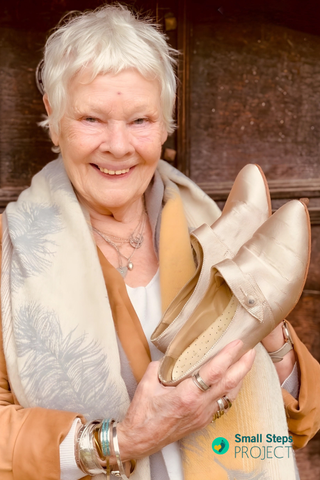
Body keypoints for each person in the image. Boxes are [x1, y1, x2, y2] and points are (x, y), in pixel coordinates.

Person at [0, 4, 319, 480]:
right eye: (91, 119)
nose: (119, 146)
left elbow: (300, 420)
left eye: (140, 121)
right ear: (55, 115)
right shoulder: (11, 253)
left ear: (166, 123)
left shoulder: (205, 226)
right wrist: (124, 441)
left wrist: (265, 328)